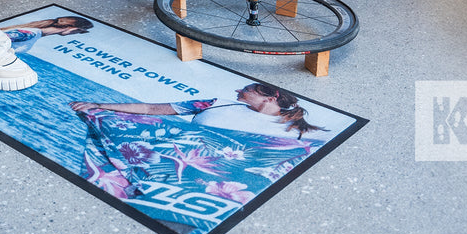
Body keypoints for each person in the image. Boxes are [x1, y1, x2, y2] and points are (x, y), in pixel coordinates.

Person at [70, 82, 328, 139]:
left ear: (270, 97)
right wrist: (99, 105)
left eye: (247, 89)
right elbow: (151, 108)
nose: (239, 90)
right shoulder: (217, 102)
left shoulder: (292, 129)